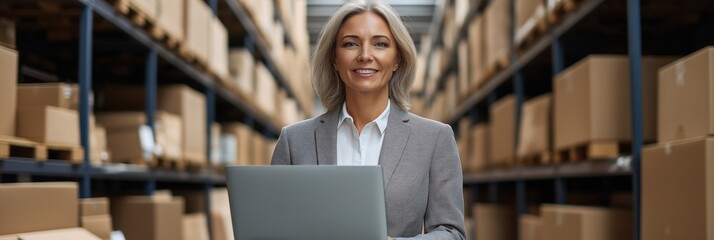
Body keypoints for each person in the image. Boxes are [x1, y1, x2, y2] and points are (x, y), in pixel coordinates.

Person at [271, 0, 465, 239]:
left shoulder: (434, 139)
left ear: (397, 60)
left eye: (380, 44)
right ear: (334, 59)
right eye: (350, 43)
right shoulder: (294, 141)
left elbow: (451, 232)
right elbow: (275, 226)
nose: (365, 55)